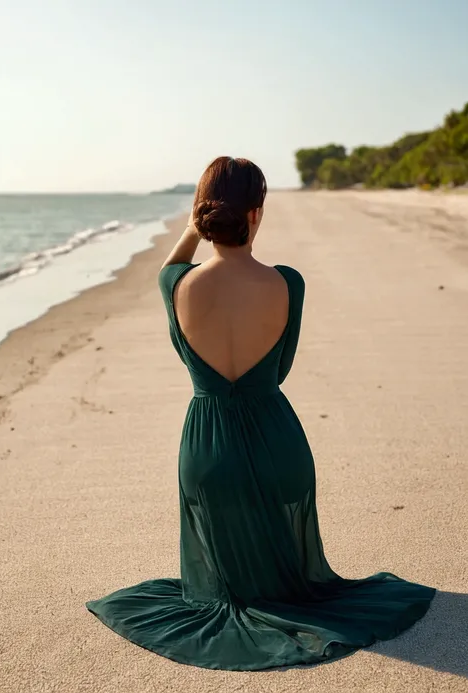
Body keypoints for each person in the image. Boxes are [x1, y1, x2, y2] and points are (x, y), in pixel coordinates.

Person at [86, 156, 435, 671]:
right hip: (277, 441)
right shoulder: (288, 283)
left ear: (205, 216)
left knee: (223, 537)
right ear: (256, 213)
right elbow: (282, 369)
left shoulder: (176, 285)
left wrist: (189, 230)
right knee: (294, 570)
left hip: (206, 451)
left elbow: (168, 268)